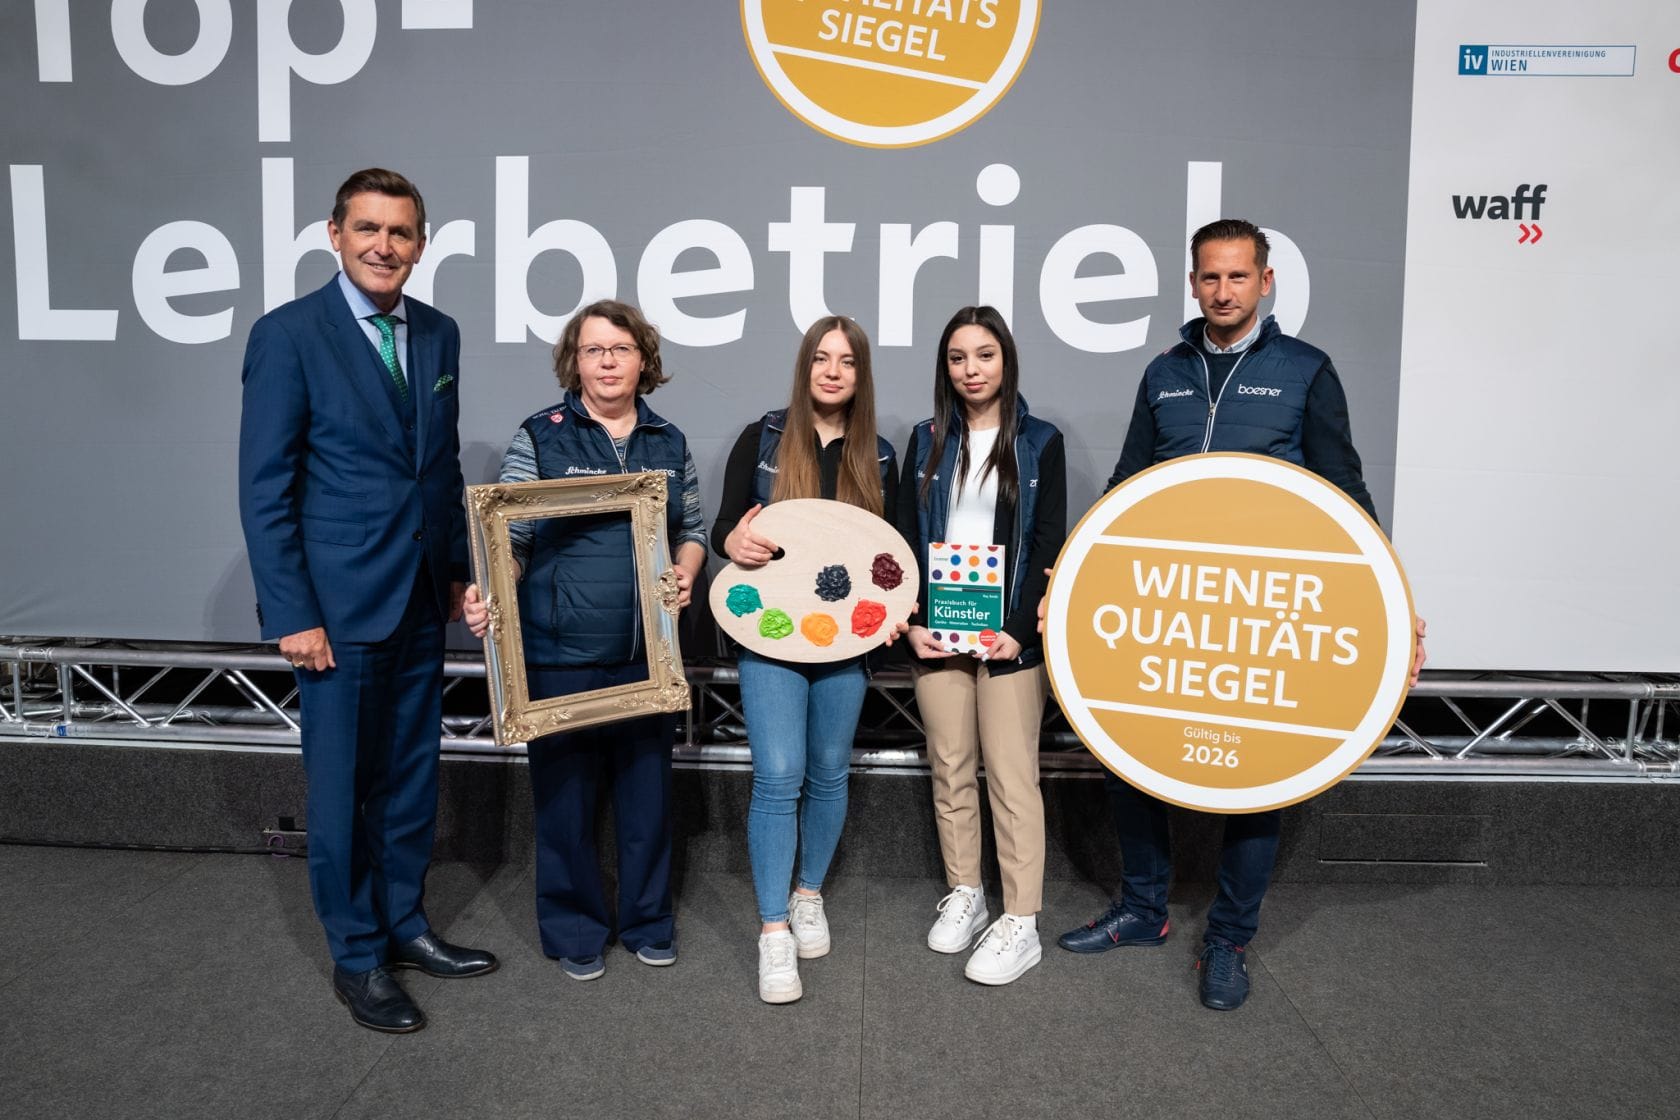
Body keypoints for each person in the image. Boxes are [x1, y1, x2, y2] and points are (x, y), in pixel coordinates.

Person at [1055, 218, 1427, 1011]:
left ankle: (1228, 939)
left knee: (1263, 779)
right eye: (1209, 278)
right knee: (1130, 750)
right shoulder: (1163, 373)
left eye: (1237, 277)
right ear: (1192, 284)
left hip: (1263, 614)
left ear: (1266, 282)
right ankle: (1143, 912)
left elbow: (1347, 495)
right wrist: (1071, 578)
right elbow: (1127, 484)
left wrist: (1396, 607)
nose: (1222, 291)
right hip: (1164, 602)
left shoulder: (1306, 371)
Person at [238, 168, 496, 1034]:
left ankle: (402, 926)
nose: (385, 246)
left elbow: (441, 465)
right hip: (336, 613)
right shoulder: (289, 336)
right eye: (368, 230)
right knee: (344, 787)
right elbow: (265, 488)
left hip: (420, 599)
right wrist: (292, 613)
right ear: (334, 234)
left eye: (402, 233)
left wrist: (458, 572)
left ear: (421, 244)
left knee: (410, 782)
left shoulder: (439, 333)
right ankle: (356, 958)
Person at [462, 300, 707, 981]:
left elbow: (694, 532)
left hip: (646, 655)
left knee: (647, 803)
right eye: (593, 349)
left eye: (620, 349)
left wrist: (684, 576)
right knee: (564, 805)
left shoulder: (670, 441)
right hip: (557, 654)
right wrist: (493, 595)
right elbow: (508, 537)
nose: (607, 361)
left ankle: (649, 923)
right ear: (574, 360)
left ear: (642, 360)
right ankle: (574, 932)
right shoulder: (540, 437)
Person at [712, 316, 900, 1004]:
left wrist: (897, 605)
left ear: (860, 374)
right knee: (779, 773)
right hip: (771, 633)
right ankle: (772, 933)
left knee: (826, 772)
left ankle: (808, 893)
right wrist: (734, 538)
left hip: (846, 641)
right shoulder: (762, 437)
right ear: (805, 366)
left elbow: (893, 553)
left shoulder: (877, 454)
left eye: (846, 362)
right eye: (821, 358)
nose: (831, 371)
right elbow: (724, 526)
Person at [896, 307, 1066, 985]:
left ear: (1006, 360)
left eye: (985, 355)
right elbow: (904, 535)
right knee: (950, 766)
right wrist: (911, 622)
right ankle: (966, 892)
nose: (972, 370)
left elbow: (1048, 539)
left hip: (1008, 639)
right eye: (959, 358)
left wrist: (1019, 631)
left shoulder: (1039, 441)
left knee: (1013, 776)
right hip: (938, 633)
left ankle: (1020, 921)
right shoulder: (926, 438)